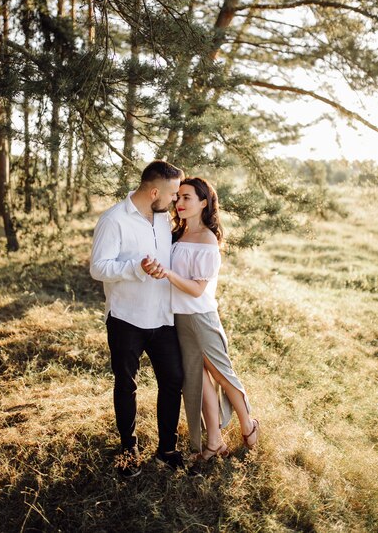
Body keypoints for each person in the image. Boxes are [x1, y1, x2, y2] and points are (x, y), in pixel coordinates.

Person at [143, 177, 260, 466]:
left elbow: (197, 289)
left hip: (201, 318)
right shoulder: (177, 234)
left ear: (204, 203)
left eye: (187, 199)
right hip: (179, 319)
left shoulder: (208, 240)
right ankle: (214, 442)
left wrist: (167, 275)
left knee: (221, 374)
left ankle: (248, 423)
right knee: (198, 381)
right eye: (178, 197)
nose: (180, 204)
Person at [90, 160, 185, 478]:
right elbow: (98, 268)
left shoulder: (162, 218)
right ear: (155, 191)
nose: (175, 200)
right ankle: (128, 449)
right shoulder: (114, 219)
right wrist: (135, 268)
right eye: (173, 193)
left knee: (173, 380)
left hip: (162, 316)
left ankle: (166, 449)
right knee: (126, 384)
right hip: (126, 317)